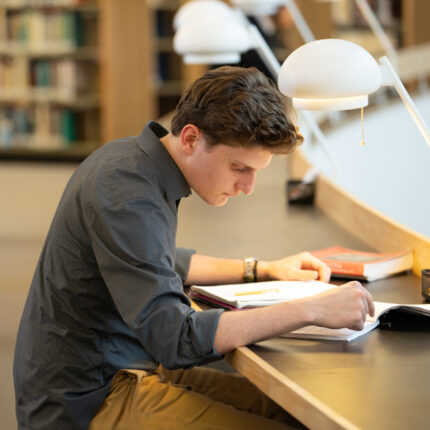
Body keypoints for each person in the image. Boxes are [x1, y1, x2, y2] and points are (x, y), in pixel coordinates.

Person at [14, 66, 374, 430]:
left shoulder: (135, 162)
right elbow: (176, 338)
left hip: (121, 365)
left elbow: (162, 261)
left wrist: (260, 269)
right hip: (89, 397)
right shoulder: (126, 192)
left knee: (297, 416)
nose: (247, 187)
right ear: (190, 139)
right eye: (238, 167)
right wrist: (310, 309)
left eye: (256, 172)